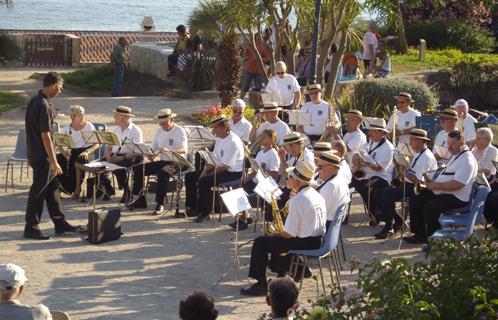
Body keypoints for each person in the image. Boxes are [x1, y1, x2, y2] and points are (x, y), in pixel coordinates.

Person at [240, 162, 326, 296]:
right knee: (276, 240)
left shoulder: (298, 200)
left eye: (290, 177)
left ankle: (261, 284)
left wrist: (275, 233)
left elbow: (288, 234)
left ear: (297, 181)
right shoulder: (316, 195)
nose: (287, 178)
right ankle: (294, 270)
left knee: (260, 242)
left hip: (304, 243)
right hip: (317, 240)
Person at [24, 72, 80, 240]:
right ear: (54, 85)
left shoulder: (34, 101)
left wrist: (29, 153)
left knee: (52, 189)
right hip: (43, 157)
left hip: (36, 154)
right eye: (60, 88)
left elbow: (28, 131)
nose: (60, 91)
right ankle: (31, 227)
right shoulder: (44, 105)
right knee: (38, 192)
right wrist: (55, 161)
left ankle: (59, 222)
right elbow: (45, 135)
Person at [405, 130, 477, 245]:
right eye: (448, 143)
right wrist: (432, 182)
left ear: (462, 144)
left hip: (457, 197)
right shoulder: (456, 154)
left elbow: (458, 184)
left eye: (452, 144)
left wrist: (437, 185)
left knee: (430, 208)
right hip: (444, 191)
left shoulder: (467, 160)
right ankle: (420, 235)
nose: (449, 147)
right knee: (416, 199)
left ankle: (433, 241)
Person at [373, 129, 437, 239]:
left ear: (422, 141)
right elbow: (410, 173)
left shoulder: (426, 157)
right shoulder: (418, 154)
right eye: (411, 140)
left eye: (413, 140)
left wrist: (404, 172)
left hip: (418, 188)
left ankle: (389, 227)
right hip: (408, 185)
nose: (411, 143)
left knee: (387, 193)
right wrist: (399, 166)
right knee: (378, 193)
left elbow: (418, 180)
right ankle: (398, 221)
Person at [127, 108, 188, 215]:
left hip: (178, 162)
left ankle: (160, 203)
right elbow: (154, 148)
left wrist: (170, 150)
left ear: (171, 120)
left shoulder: (179, 130)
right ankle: (140, 199)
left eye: (165, 123)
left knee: (162, 173)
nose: (162, 126)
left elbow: (183, 149)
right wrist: (150, 154)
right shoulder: (159, 131)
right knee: (138, 169)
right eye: (161, 123)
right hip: (164, 160)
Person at [184, 115, 245, 223]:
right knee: (190, 176)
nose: (213, 130)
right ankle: (192, 208)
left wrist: (207, 175)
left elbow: (224, 166)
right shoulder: (219, 138)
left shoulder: (233, 142)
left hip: (232, 172)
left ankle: (205, 213)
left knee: (204, 182)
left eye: (215, 127)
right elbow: (213, 160)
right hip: (220, 167)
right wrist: (204, 171)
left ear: (225, 127)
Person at [229, 129, 280, 230]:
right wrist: (245, 180)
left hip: (265, 184)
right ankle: (245, 217)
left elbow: (274, 174)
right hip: (256, 181)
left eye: (264, 137)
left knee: (243, 194)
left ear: (271, 139)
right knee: (237, 190)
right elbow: (255, 170)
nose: (261, 138)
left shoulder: (273, 153)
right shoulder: (260, 153)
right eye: (261, 136)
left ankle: (243, 220)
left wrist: (264, 171)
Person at [350, 118, 394, 224]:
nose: (370, 133)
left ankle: (375, 214)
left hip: (381, 177)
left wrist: (364, 162)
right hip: (368, 175)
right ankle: (374, 213)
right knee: (352, 183)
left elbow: (378, 168)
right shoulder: (370, 142)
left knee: (364, 188)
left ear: (382, 133)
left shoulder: (388, 148)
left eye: (373, 131)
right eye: (370, 131)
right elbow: (359, 152)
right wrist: (356, 157)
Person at [102, 106, 144, 204]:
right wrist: (109, 158)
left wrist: (121, 158)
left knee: (118, 167)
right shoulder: (116, 130)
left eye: (115, 116)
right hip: (115, 155)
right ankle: (109, 188)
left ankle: (127, 191)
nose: (114, 118)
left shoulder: (135, 130)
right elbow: (108, 147)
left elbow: (139, 151)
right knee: (97, 166)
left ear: (121, 117)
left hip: (131, 157)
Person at [55, 105, 98, 199]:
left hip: (86, 152)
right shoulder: (67, 128)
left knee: (78, 161)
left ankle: (77, 189)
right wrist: (63, 152)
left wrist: (87, 151)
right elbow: (59, 143)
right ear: (73, 116)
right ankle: (59, 188)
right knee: (58, 159)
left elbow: (96, 144)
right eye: (80, 115)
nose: (83, 116)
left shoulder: (88, 126)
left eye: (83, 114)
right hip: (73, 151)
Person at [316, 151, 351, 227]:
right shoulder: (340, 180)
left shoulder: (330, 186)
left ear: (331, 168)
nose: (317, 169)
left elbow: (319, 214)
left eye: (320, 166)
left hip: (325, 227)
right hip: (333, 225)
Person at [240, 35, 271, 99]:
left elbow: (268, 59)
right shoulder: (251, 45)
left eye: (260, 36)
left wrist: (260, 59)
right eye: (257, 36)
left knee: (258, 89)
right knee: (244, 88)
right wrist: (245, 48)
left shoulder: (263, 47)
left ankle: (257, 104)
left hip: (258, 72)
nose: (259, 37)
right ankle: (240, 102)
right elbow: (244, 56)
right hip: (249, 70)